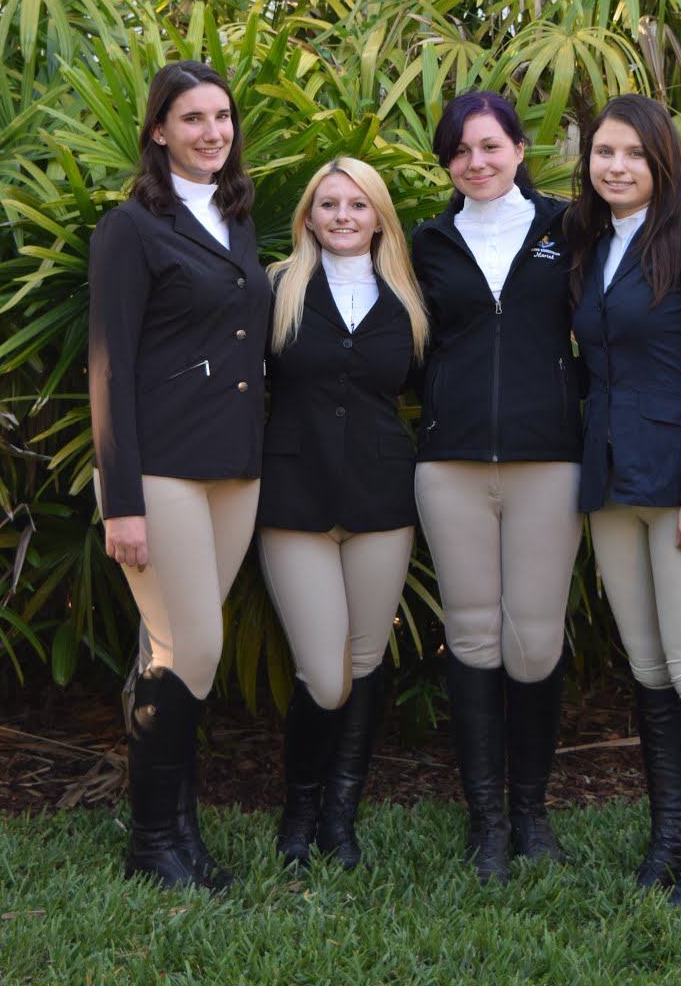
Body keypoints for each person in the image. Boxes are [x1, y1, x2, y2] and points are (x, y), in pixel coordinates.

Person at [566, 92, 681, 911]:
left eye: (632, 154)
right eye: (602, 152)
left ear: (661, 162)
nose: (615, 166)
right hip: (613, 486)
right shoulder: (593, 246)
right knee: (647, 671)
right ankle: (670, 840)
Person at [88, 58, 270, 892]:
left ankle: (179, 834)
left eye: (222, 117)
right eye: (192, 118)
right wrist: (121, 503)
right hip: (158, 469)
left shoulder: (236, 219)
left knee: (175, 653)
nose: (212, 132)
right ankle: (151, 843)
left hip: (232, 469)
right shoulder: (130, 227)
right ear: (158, 130)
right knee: (191, 645)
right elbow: (110, 367)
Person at [411, 90, 583, 885]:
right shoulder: (426, 242)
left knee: (533, 641)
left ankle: (531, 815)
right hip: (450, 466)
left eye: (488, 146)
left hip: (548, 461)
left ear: (518, 148)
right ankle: (486, 822)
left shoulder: (567, 229)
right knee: (473, 636)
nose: (474, 162)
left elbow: (607, 326)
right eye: (459, 151)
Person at [258, 157, 429, 871]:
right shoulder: (276, 288)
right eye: (328, 204)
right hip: (294, 498)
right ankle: (297, 813)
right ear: (308, 216)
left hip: (381, 498)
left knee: (364, 661)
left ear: (379, 217)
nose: (342, 216)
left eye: (357, 205)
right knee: (324, 675)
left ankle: (338, 819)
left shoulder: (409, 299)